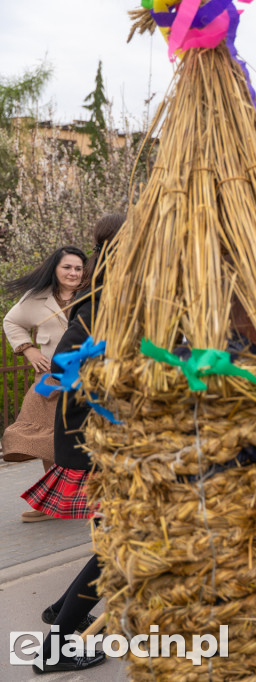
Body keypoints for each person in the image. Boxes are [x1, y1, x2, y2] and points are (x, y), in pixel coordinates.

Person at [28, 216, 122, 674]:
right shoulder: (107, 304)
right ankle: (56, 648)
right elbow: (79, 369)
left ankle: (62, 611)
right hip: (98, 439)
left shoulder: (105, 298)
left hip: (94, 436)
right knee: (121, 543)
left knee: (116, 539)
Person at [3, 245, 87, 521]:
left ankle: (92, 496)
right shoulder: (36, 298)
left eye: (78, 268)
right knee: (47, 438)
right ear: (55, 268)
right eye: (67, 267)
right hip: (50, 380)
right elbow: (11, 321)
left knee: (86, 436)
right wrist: (28, 349)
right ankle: (54, 501)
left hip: (88, 377)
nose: (73, 272)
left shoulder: (91, 296)